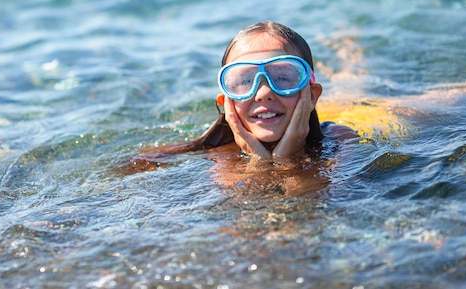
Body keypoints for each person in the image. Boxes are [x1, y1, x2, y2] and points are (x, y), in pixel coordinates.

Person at [122, 21, 358, 177]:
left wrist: (286, 158)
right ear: (226, 102)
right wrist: (261, 163)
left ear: (312, 95)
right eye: (245, 81)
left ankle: (349, 46)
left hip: (360, 112)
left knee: (356, 84)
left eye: (284, 77)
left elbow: (315, 209)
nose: (264, 92)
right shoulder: (220, 160)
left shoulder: (342, 141)